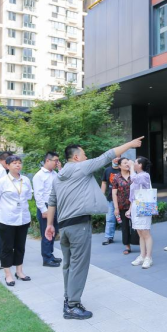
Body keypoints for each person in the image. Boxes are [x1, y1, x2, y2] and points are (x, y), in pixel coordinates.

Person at [45, 137, 144, 320]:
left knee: (68, 265)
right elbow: (107, 156)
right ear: (76, 157)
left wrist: (50, 224)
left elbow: (52, 202)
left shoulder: (58, 177)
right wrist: (130, 144)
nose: (86, 157)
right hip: (79, 225)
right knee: (79, 265)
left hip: (64, 227)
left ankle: (68, 299)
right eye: (84, 155)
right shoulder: (81, 167)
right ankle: (73, 306)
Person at [0, 155, 33, 286]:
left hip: (23, 219)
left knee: (20, 246)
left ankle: (19, 271)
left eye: (19, 163)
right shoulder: (2, 181)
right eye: (14, 163)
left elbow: (28, 196)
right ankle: (8, 275)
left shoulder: (25, 180)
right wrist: (3, 207)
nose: (18, 165)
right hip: (7, 220)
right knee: (7, 247)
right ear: (7, 166)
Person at [33, 151, 63, 267]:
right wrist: (43, 210)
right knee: (47, 233)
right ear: (47, 160)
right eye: (55, 161)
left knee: (53, 232)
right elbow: (38, 195)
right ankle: (46, 259)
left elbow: (62, 182)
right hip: (46, 207)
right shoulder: (39, 176)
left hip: (54, 206)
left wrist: (60, 169)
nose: (57, 163)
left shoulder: (54, 174)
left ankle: (51, 255)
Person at [127, 157, 154, 268]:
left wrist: (131, 167)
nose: (133, 163)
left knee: (145, 232)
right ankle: (142, 256)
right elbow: (132, 196)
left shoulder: (145, 175)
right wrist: (130, 209)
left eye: (135, 162)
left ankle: (148, 257)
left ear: (140, 165)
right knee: (140, 233)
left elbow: (134, 178)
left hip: (144, 205)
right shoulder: (137, 175)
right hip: (135, 205)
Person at [112, 157, 133, 255]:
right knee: (125, 227)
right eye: (125, 163)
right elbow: (114, 193)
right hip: (122, 206)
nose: (127, 164)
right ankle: (127, 246)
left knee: (137, 225)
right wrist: (116, 208)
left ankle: (139, 242)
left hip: (134, 205)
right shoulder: (116, 178)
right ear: (119, 166)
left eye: (128, 162)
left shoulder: (133, 175)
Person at [100, 157, 120, 245]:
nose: (116, 159)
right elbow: (104, 183)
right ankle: (109, 237)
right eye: (114, 157)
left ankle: (128, 238)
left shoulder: (123, 169)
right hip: (111, 198)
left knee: (126, 219)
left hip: (123, 199)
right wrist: (102, 195)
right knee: (110, 219)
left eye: (118, 157)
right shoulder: (107, 170)